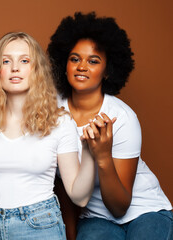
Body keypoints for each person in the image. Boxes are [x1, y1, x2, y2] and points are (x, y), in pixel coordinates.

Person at [47, 12, 173, 240]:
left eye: (93, 61)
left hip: (145, 210)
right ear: (64, 65)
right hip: (95, 218)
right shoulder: (50, 112)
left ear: (108, 71)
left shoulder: (122, 117)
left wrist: (103, 156)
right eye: (75, 59)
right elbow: (57, 182)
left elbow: (119, 207)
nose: (82, 66)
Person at [0, 32, 96, 240]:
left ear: (37, 70)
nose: (15, 68)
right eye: (6, 61)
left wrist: (90, 151)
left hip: (39, 226)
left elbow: (79, 197)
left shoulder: (60, 122)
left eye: (24, 61)